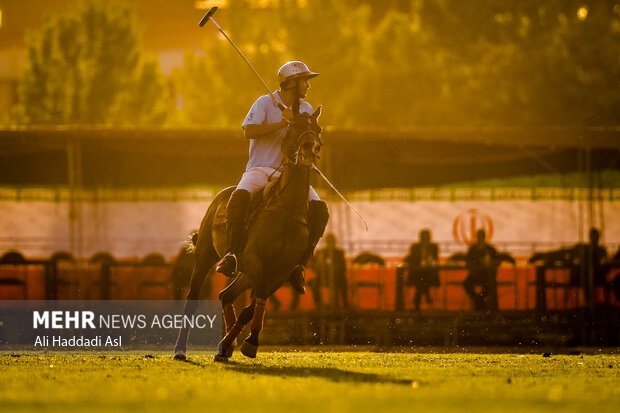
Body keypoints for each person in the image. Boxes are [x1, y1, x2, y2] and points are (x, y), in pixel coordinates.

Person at [215, 61, 329, 295]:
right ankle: (232, 255)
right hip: (261, 168)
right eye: (304, 81)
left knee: (320, 209)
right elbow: (249, 131)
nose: (308, 85)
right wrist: (281, 122)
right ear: (291, 83)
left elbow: (308, 138)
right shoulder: (264, 103)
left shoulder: (306, 109)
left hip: (290, 173)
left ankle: (299, 265)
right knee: (239, 197)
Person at [463, 229, 504, 311]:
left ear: (484, 237)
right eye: (479, 236)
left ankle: (479, 302)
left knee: (489, 285)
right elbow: (467, 261)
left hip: (487, 276)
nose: (480, 238)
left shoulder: (490, 249)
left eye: (482, 236)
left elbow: (498, 261)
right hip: (475, 275)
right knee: (466, 284)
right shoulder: (472, 249)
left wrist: (490, 263)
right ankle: (480, 301)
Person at [403, 229, 439, 311]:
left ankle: (417, 301)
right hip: (417, 274)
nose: (425, 240)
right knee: (421, 279)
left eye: (427, 238)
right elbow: (412, 259)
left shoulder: (434, 247)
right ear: (421, 238)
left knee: (422, 280)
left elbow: (435, 258)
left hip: (429, 274)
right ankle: (427, 295)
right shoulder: (415, 247)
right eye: (424, 238)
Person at [310, 233, 348, 308]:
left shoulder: (339, 253)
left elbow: (343, 268)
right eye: (329, 241)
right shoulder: (320, 252)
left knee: (344, 283)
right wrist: (320, 267)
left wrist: (335, 268)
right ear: (326, 242)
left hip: (336, 277)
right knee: (313, 283)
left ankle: (344, 304)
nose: (330, 243)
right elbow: (314, 267)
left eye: (332, 241)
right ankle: (318, 304)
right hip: (322, 277)